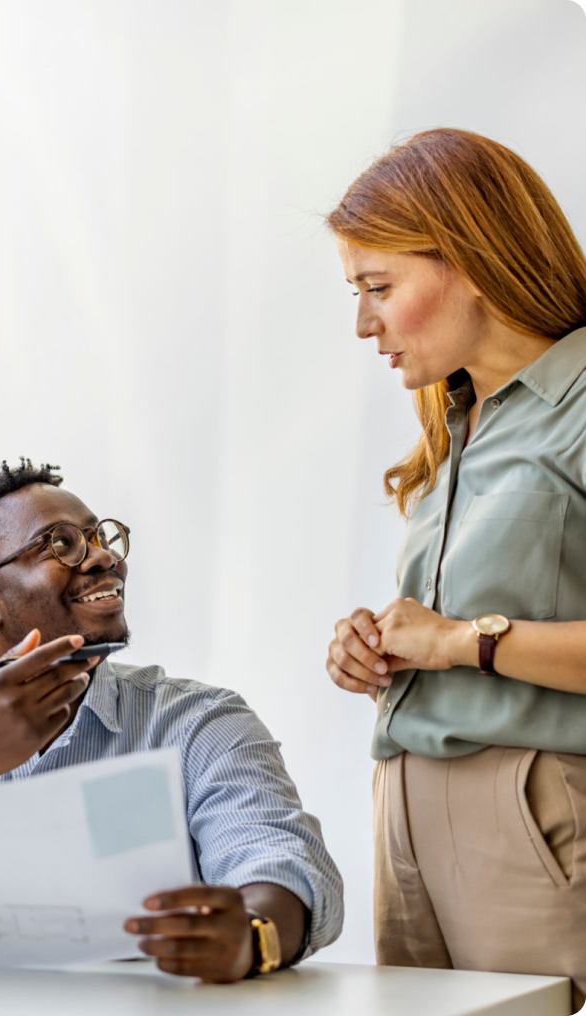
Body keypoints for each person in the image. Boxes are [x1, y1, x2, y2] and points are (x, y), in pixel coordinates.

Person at [0, 461, 342, 983]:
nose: (104, 557)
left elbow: (280, 862)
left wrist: (252, 934)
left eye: (98, 537)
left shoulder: (198, 720)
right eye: (60, 544)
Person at [325, 128, 586, 1005]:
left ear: (470, 259)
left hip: (532, 808)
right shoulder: (459, 420)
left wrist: (461, 642)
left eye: (378, 288)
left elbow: (465, 635)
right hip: (403, 802)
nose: (363, 323)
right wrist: (377, 647)